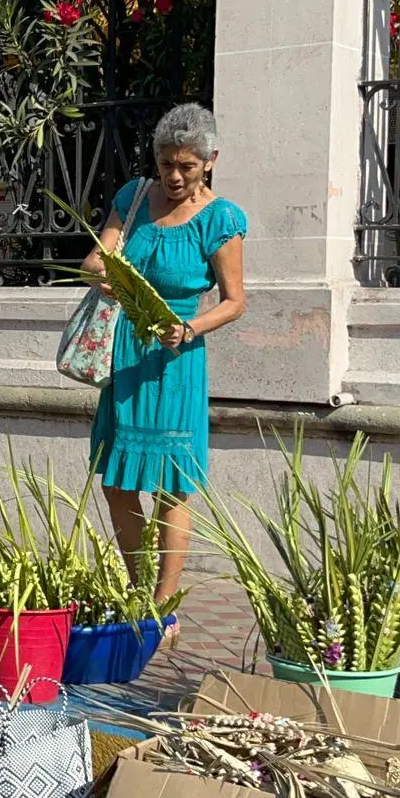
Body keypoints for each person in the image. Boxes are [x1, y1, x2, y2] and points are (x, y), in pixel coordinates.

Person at [83, 103, 248, 644]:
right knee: (116, 481)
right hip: (127, 353)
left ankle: (164, 607)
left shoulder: (221, 219)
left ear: (211, 161)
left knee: (172, 488)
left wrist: (192, 328)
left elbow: (234, 301)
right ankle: (136, 587)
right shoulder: (133, 198)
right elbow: (95, 258)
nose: (174, 177)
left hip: (177, 357)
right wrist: (104, 276)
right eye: (165, 164)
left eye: (187, 167)